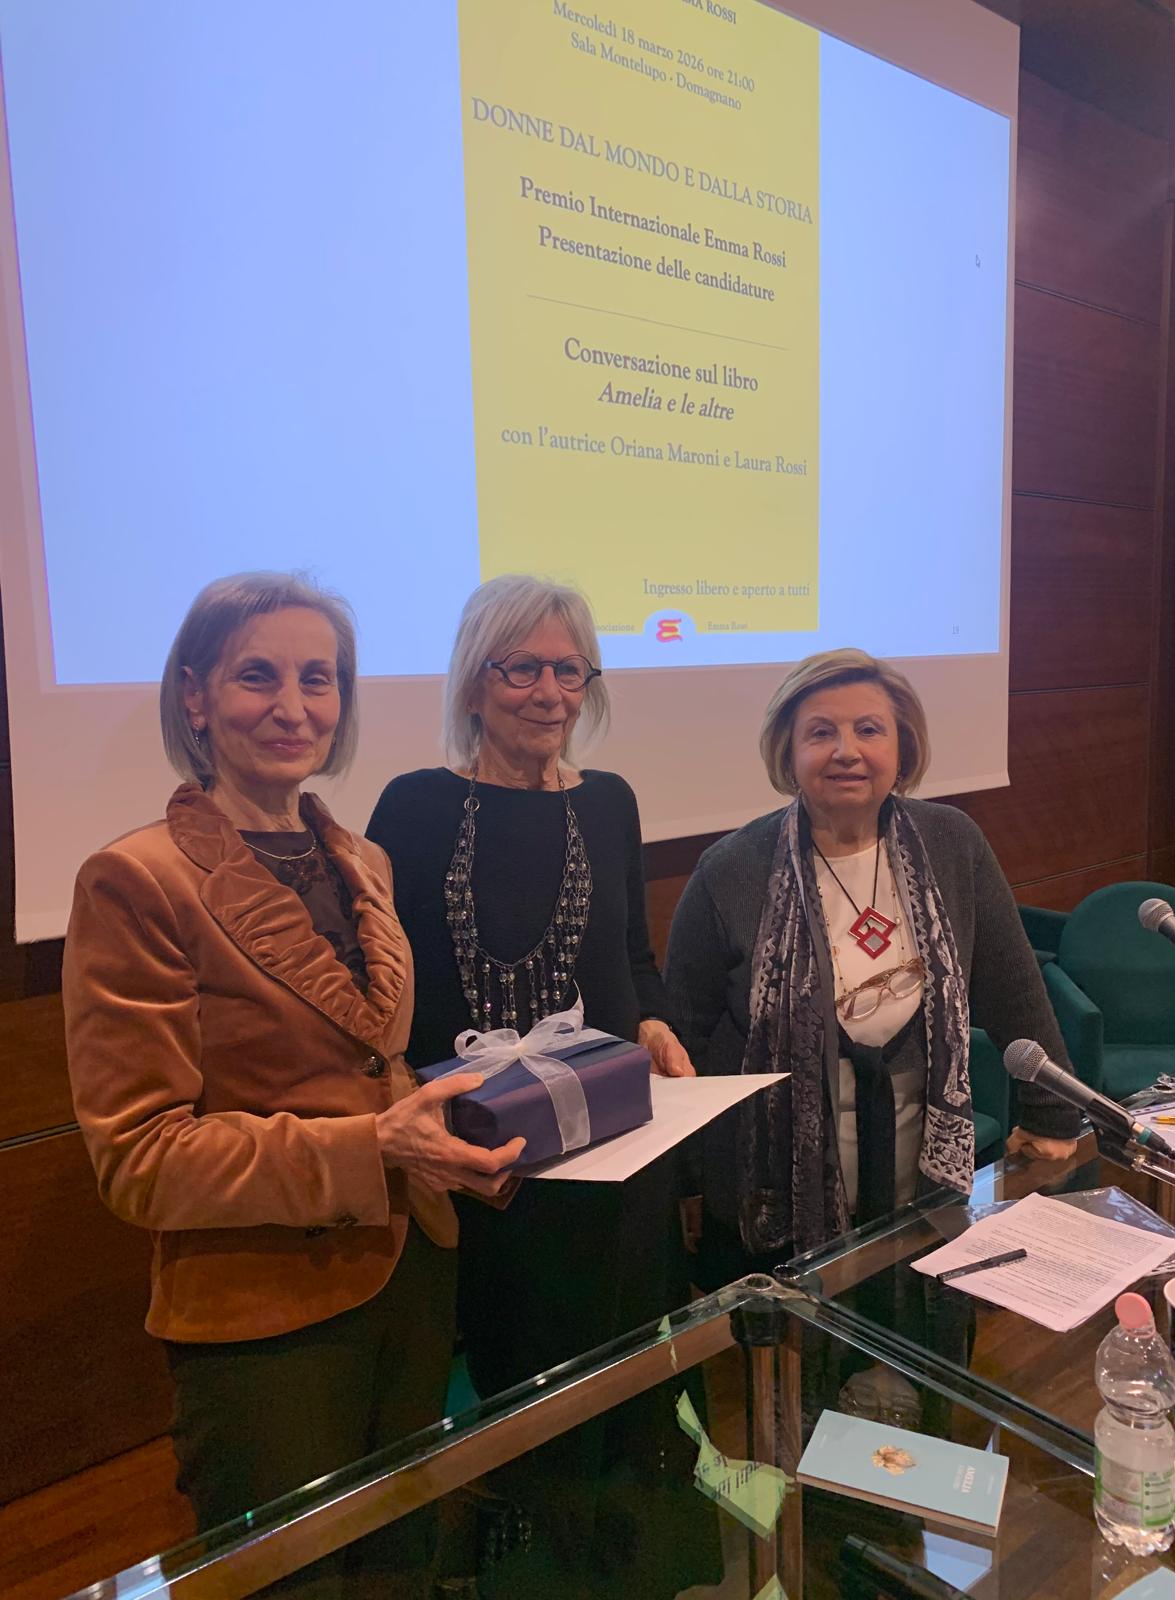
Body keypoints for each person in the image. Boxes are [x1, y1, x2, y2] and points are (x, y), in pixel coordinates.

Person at [62, 572, 522, 1596]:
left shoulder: (362, 859)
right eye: (256, 677)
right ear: (195, 695)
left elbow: (372, 1071)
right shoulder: (136, 880)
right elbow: (139, 1160)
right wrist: (373, 1147)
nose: (293, 706)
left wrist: (450, 1147)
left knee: (399, 1566)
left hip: (409, 1275)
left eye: (319, 679)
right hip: (263, 1317)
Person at [366, 573, 715, 1597]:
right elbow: (388, 987)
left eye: (570, 669)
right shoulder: (414, 806)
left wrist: (654, 1019)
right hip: (492, 1156)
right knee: (526, 1384)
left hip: (617, 1142)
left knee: (635, 1367)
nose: (549, 692)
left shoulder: (609, 801)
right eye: (523, 667)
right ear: (476, 681)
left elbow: (632, 955)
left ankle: (639, 1567)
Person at [665, 647, 1080, 1292]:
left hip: (922, 1178)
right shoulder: (731, 869)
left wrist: (1052, 1114)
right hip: (775, 1192)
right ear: (788, 753)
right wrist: (685, 1186)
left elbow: (1013, 987)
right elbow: (684, 1037)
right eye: (820, 732)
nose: (846, 751)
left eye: (868, 729)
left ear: (902, 747)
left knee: (916, 1336)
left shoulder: (953, 842)